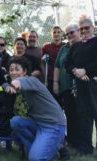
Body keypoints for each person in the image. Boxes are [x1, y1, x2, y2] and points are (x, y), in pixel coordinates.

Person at [5, 57, 66, 161]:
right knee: (16, 122)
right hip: (37, 123)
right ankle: (42, 147)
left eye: (17, 69)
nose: (13, 72)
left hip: (53, 125)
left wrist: (13, 83)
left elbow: (18, 82)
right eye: (11, 70)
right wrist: (6, 84)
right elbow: (6, 83)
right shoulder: (19, 84)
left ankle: (55, 147)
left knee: (35, 159)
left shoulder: (32, 80)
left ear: (24, 71)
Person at [65, 17, 97, 155]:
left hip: (95, 83)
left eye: (86, 28)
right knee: (83, 116)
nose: (84, 31)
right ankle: (86, 148)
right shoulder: (75, 46)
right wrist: (75, 71)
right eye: (81, 29)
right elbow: (67, 63)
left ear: (93, 27)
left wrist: (86, 70)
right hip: (80, 84)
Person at [53, 24, 80, 149]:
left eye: (72, 32)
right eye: (67, 33)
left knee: (82, 115)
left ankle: (84, 144)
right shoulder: (63, 49)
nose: (69, 35)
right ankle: (73, 143)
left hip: (82, 87)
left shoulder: (84, 46)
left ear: (78, 31)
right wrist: (55, 83)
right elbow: (57, 66)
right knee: (70, 115)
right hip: (66, 86)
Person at [42, 26, 64, 95]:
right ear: (51, 35)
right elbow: (42, 63)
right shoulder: (46, 47)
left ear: (62, 34)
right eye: (54, 32)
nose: (56, 34)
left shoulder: (66, 46)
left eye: (58, 32)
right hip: (51, 78)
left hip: (63, 78)